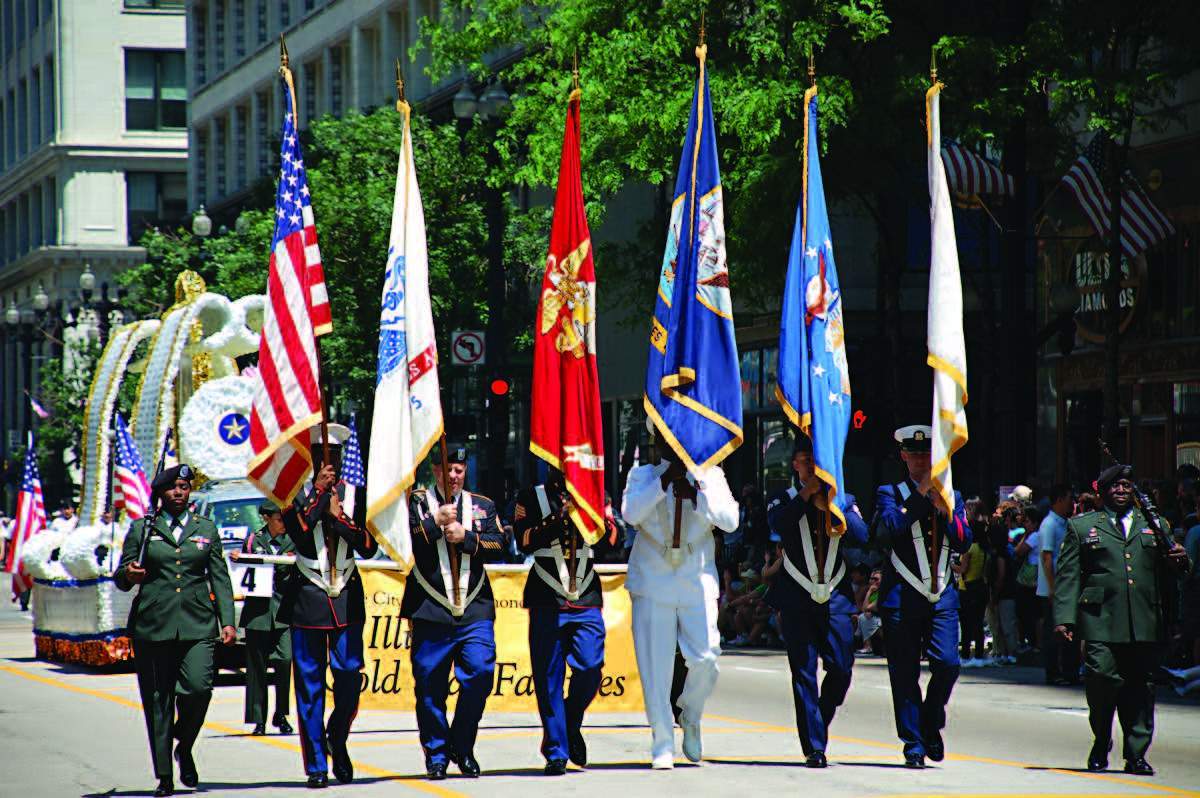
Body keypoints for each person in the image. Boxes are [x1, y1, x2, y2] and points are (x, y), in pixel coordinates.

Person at [1053, 463, 1190, 776]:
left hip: (1145, 618)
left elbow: (1176, 568)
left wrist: (1182, 560)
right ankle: (1102, 738)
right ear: (1102, 491)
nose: (1120, 491)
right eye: (1114, 486)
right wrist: (1064, 619)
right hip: (1100, 618)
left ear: (1135, 491)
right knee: (1101, 678)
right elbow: (1069, 575)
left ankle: (1136, 753)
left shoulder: (1155, 525)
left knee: (1140, 689)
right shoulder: (1083, 526)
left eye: (1126, 486)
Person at [621, 424, 738, 769]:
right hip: (653, 576)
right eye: (664, 438)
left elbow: (730, 521)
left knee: (706, 657)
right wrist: (664, 482)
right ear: (656, 442)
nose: (672, 444)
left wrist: (699, 491)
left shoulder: (712, 475)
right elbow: (631, 514)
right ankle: (661, 740)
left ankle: (690, 711)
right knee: (655, 665)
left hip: (695, 574)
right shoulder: (642, 475)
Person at [114, 464, 235, 797]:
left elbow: (220, 578)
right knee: (159, 702)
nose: (179, 492)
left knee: (199, 688)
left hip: (197, 623)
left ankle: (184, 744)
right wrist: (130, 574)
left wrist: (227, 621)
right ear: (161, 493)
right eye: (173, 488)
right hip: (153, 625)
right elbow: (122, 577)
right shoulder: (142, 529)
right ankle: (165, 776)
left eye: (184, 487)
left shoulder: (206, 529)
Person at [278, 436, 376, 789]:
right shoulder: (290, 494)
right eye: (321, 456)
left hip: (346, 599)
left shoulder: (356, 494)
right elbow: (301, 537)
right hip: (307, 599)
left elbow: (368, 545)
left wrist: (340, 519)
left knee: (349, 676)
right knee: (309, 686)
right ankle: (316, 763)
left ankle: (337, 736)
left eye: (333, 456)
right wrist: (319, 497)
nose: (328, 463)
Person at [870, 424, 970, 769]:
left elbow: (964, 540)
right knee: (904, 673)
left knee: (947, 663)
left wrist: (944, 507)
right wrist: (921, 494)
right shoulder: (890, 493)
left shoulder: (950, 492)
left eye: (925, 454)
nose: (919, 460)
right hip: (901, 595)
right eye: (913, 454)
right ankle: (913, 743)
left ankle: (930, 721)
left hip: (941, 595)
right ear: (903, 456)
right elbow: (886, 532)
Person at [765, 436, 869, 767]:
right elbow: (778, 524)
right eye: (804, 460)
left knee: (841, 667)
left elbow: (863, 535)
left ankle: (818, 720)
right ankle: (814, 747)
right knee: (804, 672)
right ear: (794, 464)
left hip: (836, 597)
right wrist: (807, 495)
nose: (810, 465)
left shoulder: (845, 499)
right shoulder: (783, 499)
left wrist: (832, 506)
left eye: (816, 459)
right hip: (796, 596)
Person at [404, 445, 504, 780]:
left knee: (479, 673)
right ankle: (436, 755)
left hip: (474, 606)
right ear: (435, 470)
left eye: (459, 469)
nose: (453, 475)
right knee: (430, 686)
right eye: (447, 469)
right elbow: (406, 541)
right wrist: (435, 523)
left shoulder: (482, 505)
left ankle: (461, 744)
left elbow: (499, 543)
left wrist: (467, 536)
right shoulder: (415, 502)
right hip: (430, 606)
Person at [514, 468, 613, 775]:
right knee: (548, 679)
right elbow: (524, 541)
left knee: (590, 667)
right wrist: (560, 517)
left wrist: (590, 512)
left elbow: (611, 540)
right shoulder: (531, 496)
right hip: (547, 596)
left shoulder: (595, 492)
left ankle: (570, 720)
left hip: (585, 596)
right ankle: (556, 750)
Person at [232, 502, 295, 736]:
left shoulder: (292, 541)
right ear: (267, 518)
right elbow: (245, 571)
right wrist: (239, 558)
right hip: (258, 613)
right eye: (279, 519)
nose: (283, 524)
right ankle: (258, 718)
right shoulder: (253, 541)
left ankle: (281, 713)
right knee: (256, 667)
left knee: (284, 660)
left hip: (284, 611)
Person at [1038, 484, 1078, 685]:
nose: (1073, 503)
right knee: (1053, 633)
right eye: (1070, 498)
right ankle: (1053, 672)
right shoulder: (1049, 524)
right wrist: (1053, 588)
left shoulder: (1064, 522)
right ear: (1059, 499)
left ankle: (1069, 671)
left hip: (1065, 588)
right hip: (1053, 590)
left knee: (1068, 631)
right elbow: (1047, 557)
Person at [953, 498, 988, 667]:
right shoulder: (983, 548)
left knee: (966, 624)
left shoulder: (969, 549)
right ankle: (979, 655)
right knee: (978, 623)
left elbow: (962, 569)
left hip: (966, 588)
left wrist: (951, 564)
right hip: (980, 586)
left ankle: (966, 654)